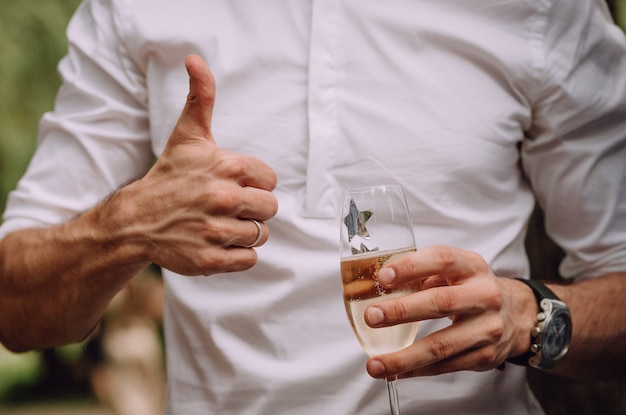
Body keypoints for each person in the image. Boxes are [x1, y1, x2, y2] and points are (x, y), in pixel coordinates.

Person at [0, 0, 625, 414]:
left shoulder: (543, 10)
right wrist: (126, 227)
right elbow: (15, 305)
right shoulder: (135, 8)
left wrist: (528, 316)